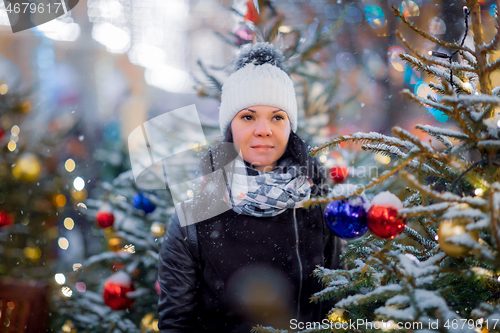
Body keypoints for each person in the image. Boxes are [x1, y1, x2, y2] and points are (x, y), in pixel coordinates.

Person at [158, 42, 346, 333]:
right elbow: (177, 324)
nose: (263, 129)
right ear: (230, 127)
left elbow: (336, 308)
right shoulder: (191, 222)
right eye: (248, 116)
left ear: (289, 127)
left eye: (277, 117)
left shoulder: (319, 209)